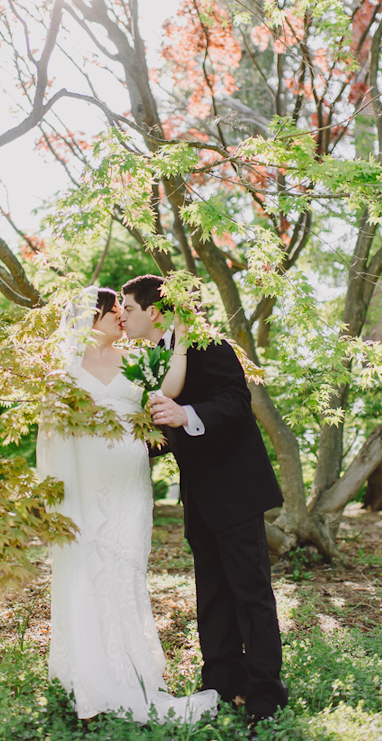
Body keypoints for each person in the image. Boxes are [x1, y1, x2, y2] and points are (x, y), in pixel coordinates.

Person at [36, 285, 218, 724]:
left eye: (124, 308)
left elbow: (167, 392)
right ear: (90, 317)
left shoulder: (137, 360)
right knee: (87, 570)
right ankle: (90, 672)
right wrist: (51, 495)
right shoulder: (62, 371)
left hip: (129, 489)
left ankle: (128, 669)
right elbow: (50, 436)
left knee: (124, 570)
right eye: (112, 309)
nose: (121, 315)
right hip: (84, 488)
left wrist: (181, 342)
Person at [120, 275, 288, 728]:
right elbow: (158, 432)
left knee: (250, 594)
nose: (122, 316)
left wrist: (186, 414)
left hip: (236, 489)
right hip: (200, 494)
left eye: (129, 308)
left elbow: (236, 399)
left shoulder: (205, 343)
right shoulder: (151, 360)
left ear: (154, 311)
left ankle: (265, 695)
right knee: (211, 594)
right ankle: (220, 682)